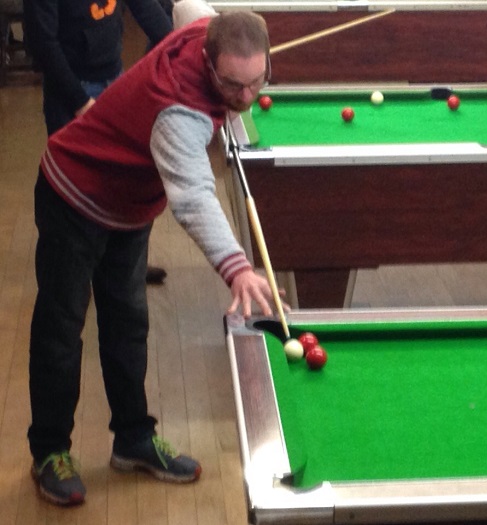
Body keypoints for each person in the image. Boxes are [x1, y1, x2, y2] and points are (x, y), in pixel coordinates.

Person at [28, 10, 278, 506]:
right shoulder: (178, 111)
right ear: (207, 62)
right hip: (74, 191)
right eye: (233, 85)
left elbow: (190, 9)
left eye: (257, 82)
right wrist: (236, 267)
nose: (247, 96)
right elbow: (194, 195)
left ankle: (133, 439)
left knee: (128, 322)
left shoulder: (204, 30)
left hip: (129, 205)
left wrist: (238, 97)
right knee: (61, 329)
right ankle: (50, 451)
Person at [23, 0, 172, 283]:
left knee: (121, 183)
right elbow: (42, 43)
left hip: (113, 79)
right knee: (75, 196)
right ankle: (75, 277)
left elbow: (145, 8)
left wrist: (178, 46)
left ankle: (124, 266)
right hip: (70, 91)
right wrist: (80, 102)